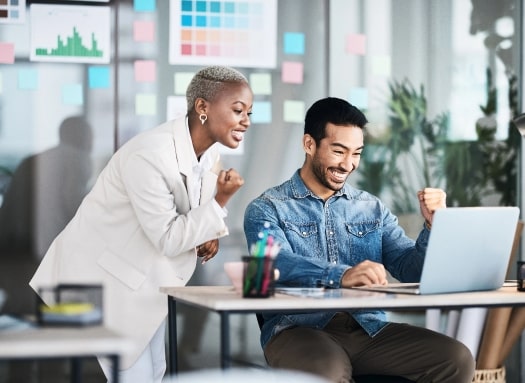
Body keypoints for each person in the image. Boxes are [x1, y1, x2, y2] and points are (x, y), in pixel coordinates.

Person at [30, 65, 253, 383]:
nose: (246, 120)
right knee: (134, 376)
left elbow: (194, 211)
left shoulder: (206, 155)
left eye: (249, 112)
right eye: (238, 109)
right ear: (202, 107)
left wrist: (210, 232)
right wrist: (221, 203)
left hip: (143, 283)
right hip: (103, 284)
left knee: (153, 373)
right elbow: (168, 237)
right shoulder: (149, 155)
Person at [243, 97, 475, 383]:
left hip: (368, 329)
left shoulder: (371, 208)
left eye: (356, 153)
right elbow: (271, 264)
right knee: (328, 372)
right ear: (309, 144)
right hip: (297, 330)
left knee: (456, 359)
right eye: (339, 151)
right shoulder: (267, 207)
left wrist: (432, 225)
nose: (348, 164)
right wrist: (341, 275)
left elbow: (411, 269)